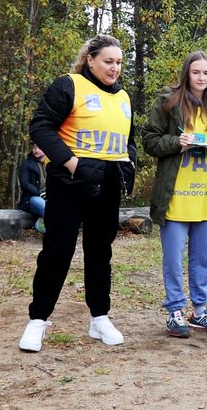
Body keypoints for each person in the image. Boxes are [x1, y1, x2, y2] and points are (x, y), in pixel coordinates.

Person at [20, 34, 134, 353]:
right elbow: (40, 127)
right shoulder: (68, 85)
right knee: (58, 251)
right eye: (109, 61)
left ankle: (99, 318)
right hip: (70, 182)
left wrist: (130, 163)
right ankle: (38, 320)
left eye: (119, 62)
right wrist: (71, 163)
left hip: (108, 184)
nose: (115, 68)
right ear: (90, 60)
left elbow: (129, 140)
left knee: (101, 253)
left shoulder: (124, 97)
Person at [141, 50, 207, 339]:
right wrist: (175, 142)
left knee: (203, 258)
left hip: (205, 196)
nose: (201, 78)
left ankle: (200, 311)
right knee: (172, 258)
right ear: (186, 73)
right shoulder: (168, 102)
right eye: (196, 72)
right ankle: (175, 312)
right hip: (174, 195)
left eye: (206, 73)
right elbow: (149, 140)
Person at [18, 142, 46, 233]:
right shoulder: (26, 164)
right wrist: (40, 193)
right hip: (32, 198)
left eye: (39, 148)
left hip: (50, 196)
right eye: (34, 148)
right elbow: (25, 184)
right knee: (45, 207)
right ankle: (55, 232)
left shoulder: (52, 163)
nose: (36, 150)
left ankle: (41, 224)